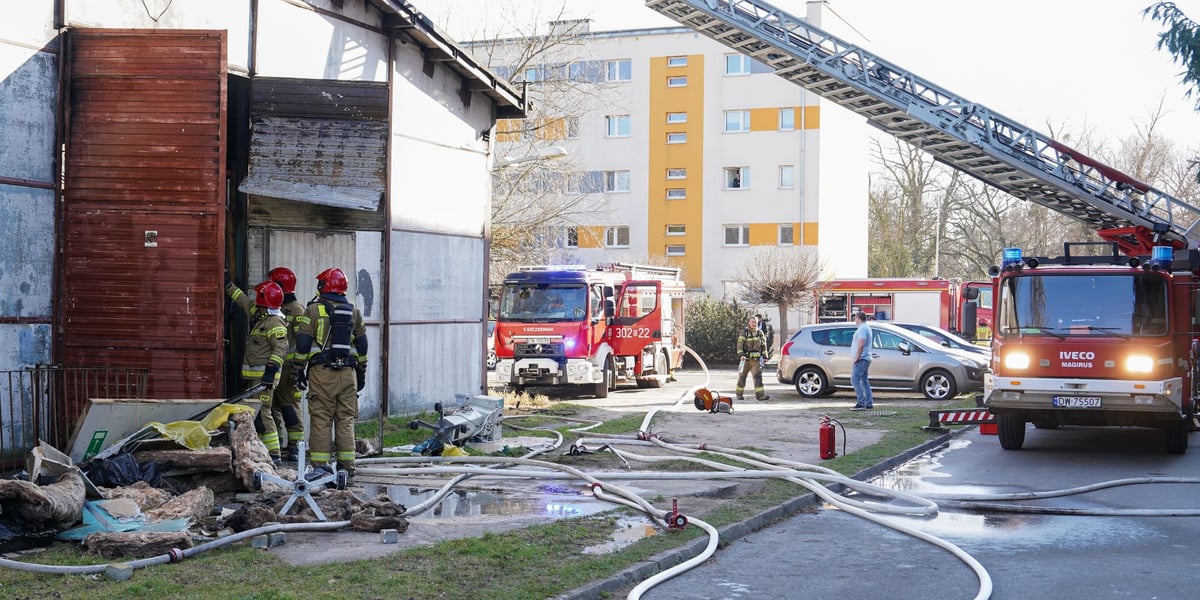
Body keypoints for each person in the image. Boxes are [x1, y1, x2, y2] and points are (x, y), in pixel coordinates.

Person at [293, 267, 368, 481]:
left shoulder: (314, 310)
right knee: (345, 419)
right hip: (348, 374)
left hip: (322, 374)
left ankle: (321, 468)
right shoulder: (354, 312)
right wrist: (361, 372)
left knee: (322, 419)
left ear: (323, 286)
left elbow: (303, 342)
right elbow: (362, 346)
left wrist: (299, 368)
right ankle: (347, 468)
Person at [225, 279, 289, 465]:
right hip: (256, 380)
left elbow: (280, 348)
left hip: (264, 380)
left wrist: (270, 372)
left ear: (264, 303)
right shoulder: (263, 318)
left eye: (258, 300)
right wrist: (229, 287)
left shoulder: (274, 323)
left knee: (263, 413)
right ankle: (264, 451)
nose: (255, 304)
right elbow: (245, 303)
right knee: (257, 414)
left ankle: (274, 455)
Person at [268, 267, 307, 462]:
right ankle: (278, 443)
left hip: (289, 368)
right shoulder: (275, 307)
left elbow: (303, 341)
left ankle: (295, 447)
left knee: (289, 407)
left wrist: (299, 369)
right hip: (275, 367)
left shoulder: (297, 310)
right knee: (272, 406)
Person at [735, 315, 770, 401]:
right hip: (745, 359)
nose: (754, 324)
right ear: (749, 323)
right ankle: (739, 395)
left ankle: (760, 396)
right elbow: (739, 345)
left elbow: (763, 345)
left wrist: (765, 356)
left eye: (755, 322)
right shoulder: (744, 332)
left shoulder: (760, 333)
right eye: (752, 322)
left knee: (758, 377)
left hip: (756, 360)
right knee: (742, 377)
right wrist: (741, 355)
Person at [850, 311, 874, 410]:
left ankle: (861, 403)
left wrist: (857, 357)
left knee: (855, 380)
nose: (855, 320)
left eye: (855, 318)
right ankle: (869, 403)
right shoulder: (867, 327)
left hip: (862, 358)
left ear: (858, 318)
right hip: (866, 357)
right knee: (864, 381)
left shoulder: (862, 329)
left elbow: (861, 344)